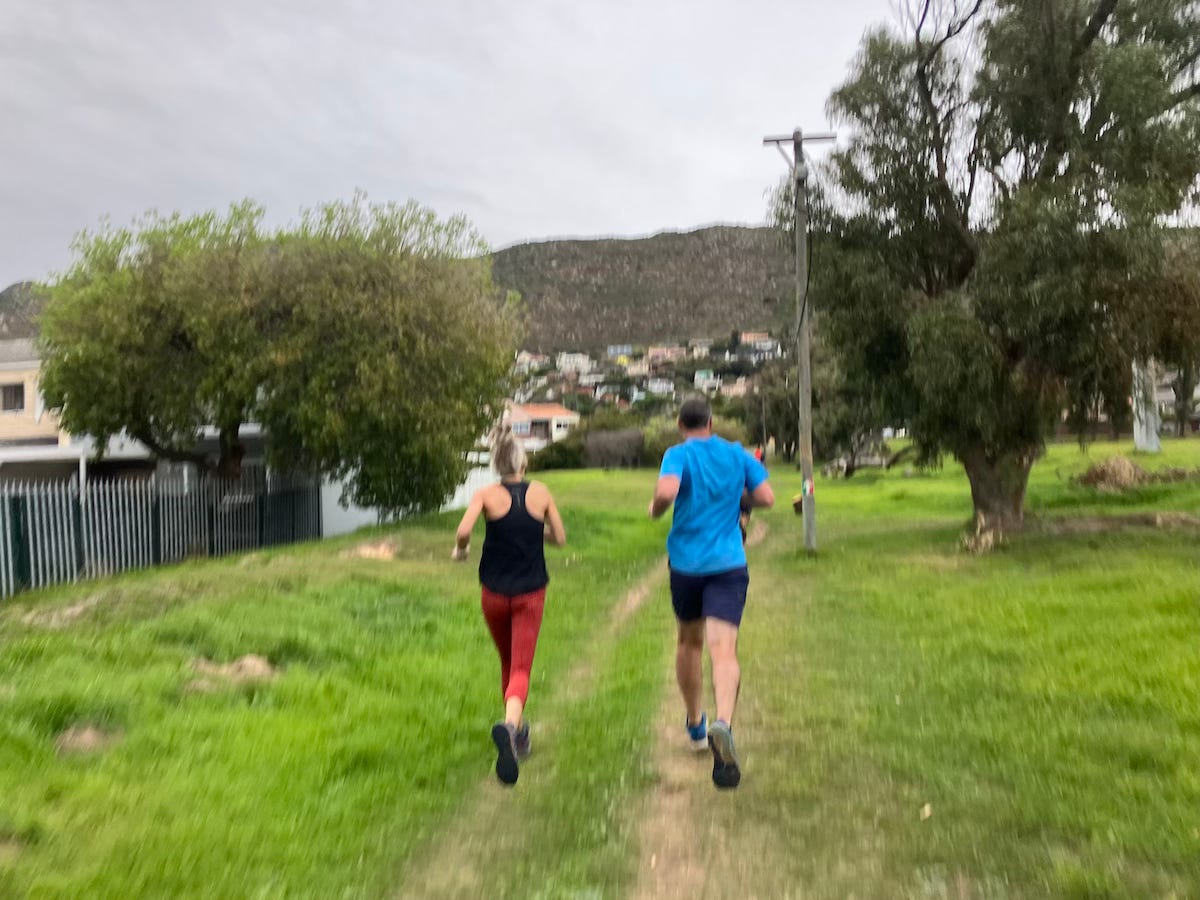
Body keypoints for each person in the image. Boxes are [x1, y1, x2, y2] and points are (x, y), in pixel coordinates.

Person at [648, 397, 774, 789]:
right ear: (711, 421)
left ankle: (696, 726)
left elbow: (667, 492)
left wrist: (655, 508)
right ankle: (725, 721)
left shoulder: (678, 454)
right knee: (725, 649)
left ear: (680, 424)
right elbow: (767, 498)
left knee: (689, 642)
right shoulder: (737, 455)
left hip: (687, 565)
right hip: (728, 565)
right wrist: (737, 497)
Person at [453, 425, 566, 785]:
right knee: (521, 667)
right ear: (523, 462)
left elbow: (463, 531)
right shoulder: (541, 493)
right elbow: (560, 539)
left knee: (507, 661)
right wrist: (537, 531)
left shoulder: (485, 495)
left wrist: (462, 550)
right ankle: (511, 728)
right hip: (530, 593)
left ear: (496, 464)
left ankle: (515, 732)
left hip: (494, 594)